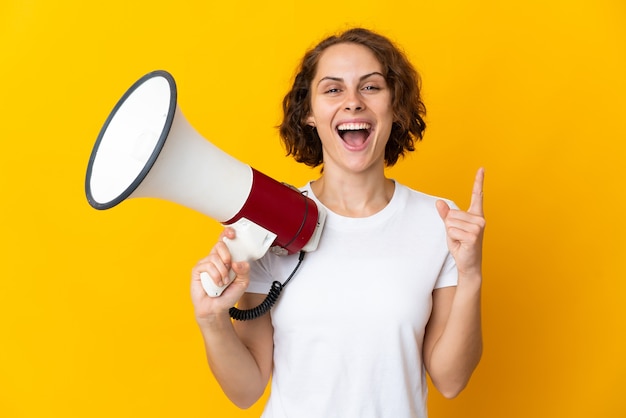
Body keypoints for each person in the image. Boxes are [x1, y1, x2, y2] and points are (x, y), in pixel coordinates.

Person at [190, 27, 485, 418]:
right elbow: (246, 391)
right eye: (333, 90)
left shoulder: (440, 220)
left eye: (371, 87)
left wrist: (471, 274)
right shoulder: (273, 219)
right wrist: (212, 321)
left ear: (395, 107)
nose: (352, 103)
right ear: (309, 113)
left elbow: (451, 380)